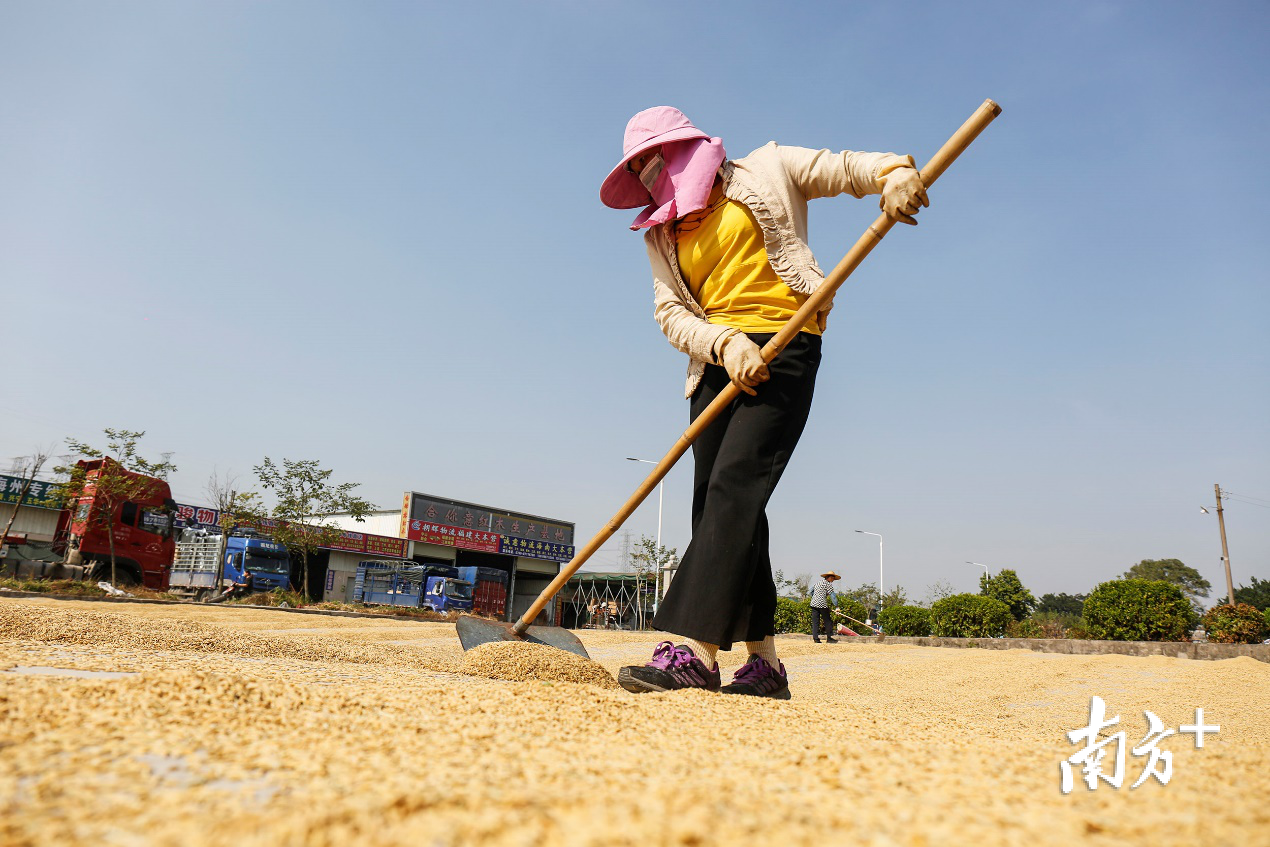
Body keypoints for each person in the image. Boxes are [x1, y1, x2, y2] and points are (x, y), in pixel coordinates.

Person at [606, 107, 927, 699]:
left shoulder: (768, 168)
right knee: (720, 506)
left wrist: (894, 173)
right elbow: (670, 314)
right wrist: (723, 342)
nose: (652, 181)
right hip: (716, 363)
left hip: (784, 346)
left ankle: (693, 653)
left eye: (655, 164)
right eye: (641, 173)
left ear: (684, 151)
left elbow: (847, 169)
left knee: (735, 488)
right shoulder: (662, 232)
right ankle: (765, 665)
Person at [809, 570, 842, 643]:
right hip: (822, 605)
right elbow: (833, 596)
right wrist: (837, 606)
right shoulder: (828, 584)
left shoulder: (818, 583)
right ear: (829, 577)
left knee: (815, 622)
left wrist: (815, 597)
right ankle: (829, 638)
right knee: (828, 621)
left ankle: (816, 638)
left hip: (813, 604)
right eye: (833, 578)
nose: (833, 580)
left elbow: (810, 591)